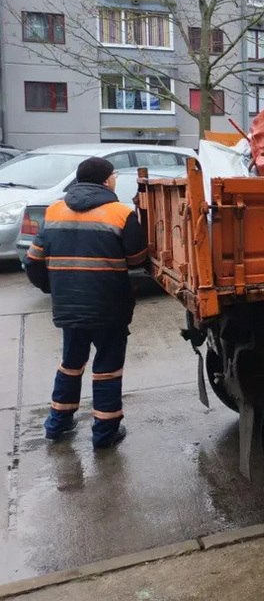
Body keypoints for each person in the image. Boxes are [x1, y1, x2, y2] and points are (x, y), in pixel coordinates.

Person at [24, 157, 147, 449]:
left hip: (70, 308)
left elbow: (32, 261)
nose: (115, 179)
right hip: (109, 308)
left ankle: (57, 425)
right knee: (107, 368)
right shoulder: (120, 214)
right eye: (114, 175)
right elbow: (137, 259)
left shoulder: (55, 210)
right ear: (106, 181)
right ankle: (104, 434)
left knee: (70, 364)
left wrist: (54, 288)